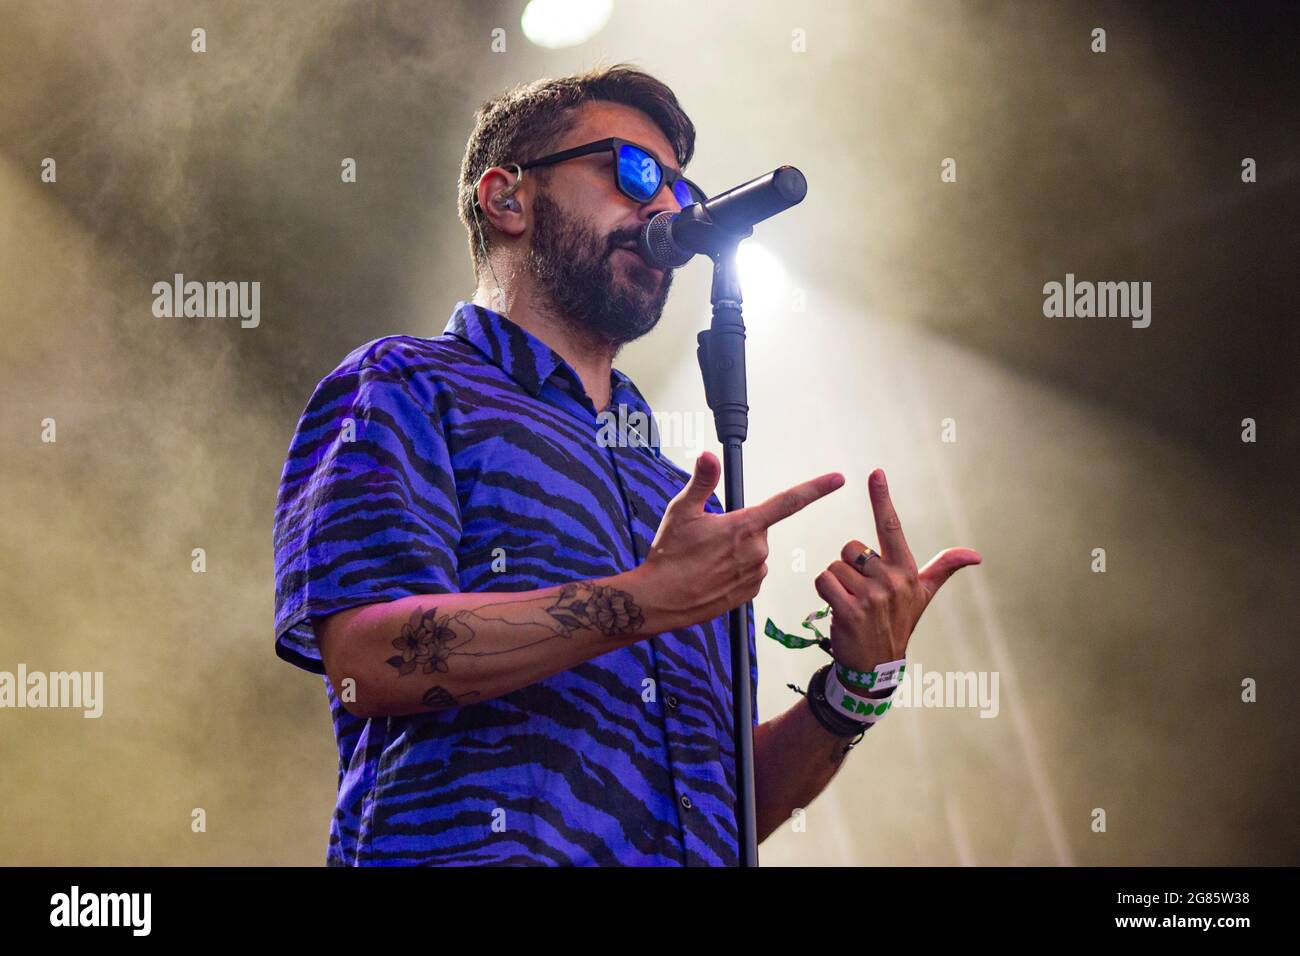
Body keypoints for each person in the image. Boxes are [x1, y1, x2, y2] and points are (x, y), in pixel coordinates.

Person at [272, 63, 981, 866]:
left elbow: (719, 810)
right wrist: (642, 601)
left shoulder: (675, 494)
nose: (665, 209)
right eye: (633, 171)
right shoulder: (406, 384)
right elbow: (368, 663)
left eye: (680, 191)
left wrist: (851, 692)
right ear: (508, 198)